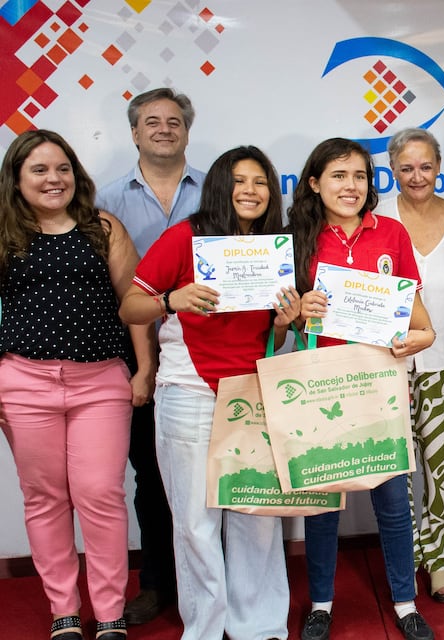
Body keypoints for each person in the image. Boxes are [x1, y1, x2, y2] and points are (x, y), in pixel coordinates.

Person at [118, 146, 300, 640]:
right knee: (195, 521)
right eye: (239, 180)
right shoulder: (185, 237)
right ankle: (205, 628)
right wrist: (169, 300)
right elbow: (130, 307)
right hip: (189, 391)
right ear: (220, 185)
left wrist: (283, 323)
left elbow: (271, 335)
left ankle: (259, 627)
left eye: (260, 182)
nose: (250, 191)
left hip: (250, 393)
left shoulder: (272, 248)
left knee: (255, 515)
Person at [290, 138, 437, 640]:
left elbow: (423, 324)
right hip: (321, 388)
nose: (351, 186)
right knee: (323, 508)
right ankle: (321, 604)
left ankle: (405, 603)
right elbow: (278, 320)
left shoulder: (391, 232)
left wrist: (417, 339)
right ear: (314, 183)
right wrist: (297, 311)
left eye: (359, 176)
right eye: (338, 175)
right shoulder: (297, 238)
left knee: (393, 504)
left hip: (380, 387)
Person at [0, 130, 143, 640]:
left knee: (100, 494)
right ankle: (64, 610)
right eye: (39, 170)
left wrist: (144, 368)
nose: (53, 179)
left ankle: (109, 612)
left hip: (99, 381)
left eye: (62, 168)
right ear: (17, 179)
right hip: (23, 384)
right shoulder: (4, 233)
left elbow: (134, 303)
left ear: (75, 174)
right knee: (44, 498)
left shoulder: (102, 228)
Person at [96, 87, 205, 625]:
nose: (164, 128)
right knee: (150, 473)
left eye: (174, 121)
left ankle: (213, 583)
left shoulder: (217, 191)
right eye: (152, 121)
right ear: (135, 132)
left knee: (212, 473)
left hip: (208, 349)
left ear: (187, 130)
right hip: (136, 350)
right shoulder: (104, 201)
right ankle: (159, 582)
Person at [375, 128, 444, 604]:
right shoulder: (375, 219)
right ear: (392, 170)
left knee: (441, 467)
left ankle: (440, 559)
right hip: (387, 367)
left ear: (439, 167)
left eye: (425, 166)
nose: (416, 176)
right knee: (398, 471)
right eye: (406, 168)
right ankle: (405, 556)